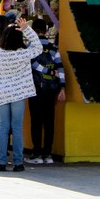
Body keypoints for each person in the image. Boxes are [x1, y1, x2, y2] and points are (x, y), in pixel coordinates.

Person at [0, 16, 42, 172]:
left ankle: (2, 161)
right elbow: (38, 47)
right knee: (17, 128)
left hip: (3, 94)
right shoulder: (22, 53)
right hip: (18, 94)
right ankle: (18, 162)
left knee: (3, 127)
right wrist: (27, 29)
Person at [26, 19, 65, 164]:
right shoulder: (53, 47)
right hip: (51, 89)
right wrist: (62, 87)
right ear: (46, 30)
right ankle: (47, 154)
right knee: (49, 121)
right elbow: (60, 68)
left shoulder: (30, 48)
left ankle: (36, 153)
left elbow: (32, 64)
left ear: (33, 31)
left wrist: (45, 70)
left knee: (36, 120)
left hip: (35, 88)